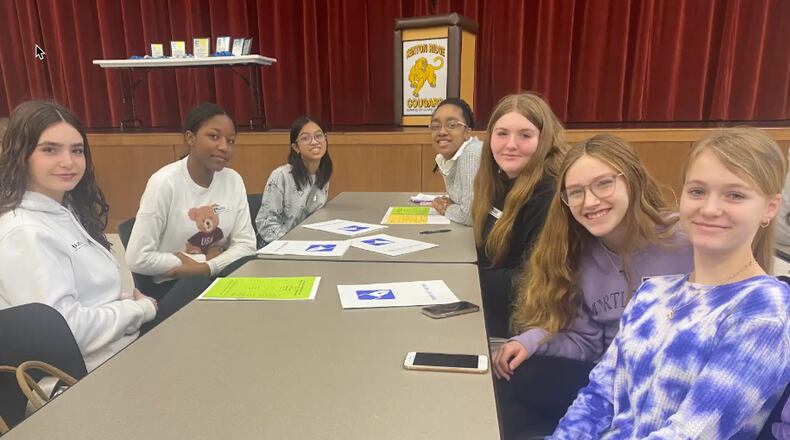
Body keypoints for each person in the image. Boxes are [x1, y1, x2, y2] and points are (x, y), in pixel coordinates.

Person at [551, 127, 790, 439]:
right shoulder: (653, 291)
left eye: (735, 195)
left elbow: (691, 432)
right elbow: (600, 395)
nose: (709, 208)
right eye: (697, 191)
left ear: (769, 208)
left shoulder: (765, 310)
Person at [491, 134, 693, 436]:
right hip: (612, 381)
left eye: (604, 183)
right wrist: (529, 341)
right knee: (512, 381)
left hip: (673, 385)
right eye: (576, 192)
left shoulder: (686, 241)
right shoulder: (581, 254)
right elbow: (586, 342)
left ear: (632, 179)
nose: (590, 201)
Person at [0, 101, 157, 371]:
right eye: (50, 150)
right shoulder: (24, 232)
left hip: (120, 345)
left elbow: (88, 298)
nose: (68, 162)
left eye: (77, 150)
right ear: (20, 154)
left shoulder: (62, 210)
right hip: (90, 374)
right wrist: (138, 310)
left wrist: (124, 303)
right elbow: (65, 332)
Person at [126, 103, 256, 300]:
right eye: (214, 136)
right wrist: (203, 260)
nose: (224, 147)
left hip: (218, 277)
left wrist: (206, 268)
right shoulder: (164, 183)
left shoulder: (233, 180)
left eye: (231, 141)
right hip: (172, 287)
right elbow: (137, 258)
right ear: (190, 137)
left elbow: (246, 245)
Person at [471, 92, 567, 338]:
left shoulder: (548, 192)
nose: (511, 144)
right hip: (494, 308)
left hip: (526, 328)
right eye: (502, 133)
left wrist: (464, 279)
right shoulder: (501, 181)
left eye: (525, 135)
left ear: (544, 139)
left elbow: (532, 279)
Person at [255, 115, 332, 245]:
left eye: (318, 136)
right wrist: (292, 244)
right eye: (305, 138)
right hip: (280, 246)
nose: (314, 142)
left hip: (309, 244)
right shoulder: (281, 175)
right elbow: (265, 222)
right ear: (296, 147)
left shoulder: (322, 174)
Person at [428, 98, 482, 226]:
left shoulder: (472, 153)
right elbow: (459, 202)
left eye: (452, 125)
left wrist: (444, 208)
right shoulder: (445, 158)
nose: (441, 132)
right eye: (435, 126)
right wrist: (451, 205)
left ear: (467, 132)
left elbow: (469, 216)